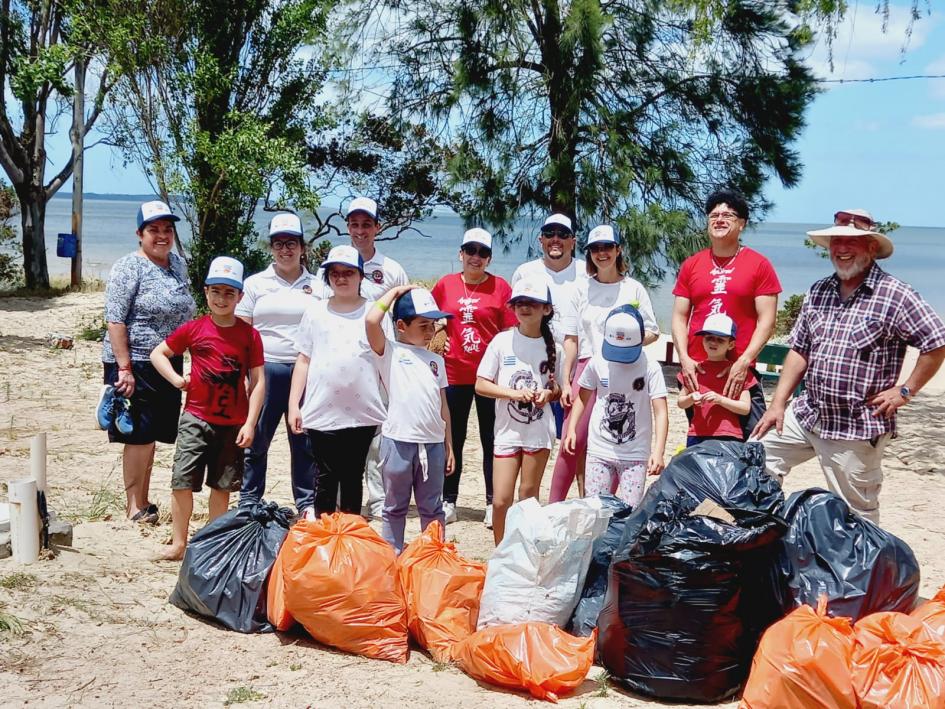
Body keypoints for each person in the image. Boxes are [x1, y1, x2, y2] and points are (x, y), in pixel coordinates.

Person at [752, 208, 945, 523]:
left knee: (856, 515)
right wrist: (777, 404)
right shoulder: (818, 292)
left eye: (852, 242)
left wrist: (905, 390)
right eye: (836, 241)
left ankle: (861, 571)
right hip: (807, 413)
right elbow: (799, 350)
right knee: (754, 460)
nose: (842, 248)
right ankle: (762, 534)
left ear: (871, 247)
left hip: (855, 426)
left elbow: (936, 343)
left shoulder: (895, 295)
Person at [150, 257, 265, 560]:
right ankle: (178, 543)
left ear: (240, 297)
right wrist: (176, 379)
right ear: (206, 292)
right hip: (195, 418)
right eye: (216, 291)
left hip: (233, 422)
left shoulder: (249, 335)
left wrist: (251, 422)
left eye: (230, 293)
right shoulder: (194, 329)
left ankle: (212, 544)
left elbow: (258, 381)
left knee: (222, 485)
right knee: (181, 481)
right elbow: (158, 354)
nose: (222, 299)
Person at [99, 200, 196, 524]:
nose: (162, 235)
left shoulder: (178, 265)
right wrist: (123, 368)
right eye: (154, 230)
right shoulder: (129, 266)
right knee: (137, 435)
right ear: (140, 233)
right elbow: (115, 320)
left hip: (167, 360)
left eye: (167, 229)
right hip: (135, 361)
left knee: (153, 433)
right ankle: (133, 505)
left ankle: (143, 499)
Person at [551, 225, 659, 502]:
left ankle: (605, 509)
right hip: (588, 367)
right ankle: (554, 506)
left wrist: (629, 344)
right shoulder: (581, 288)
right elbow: (571, 339)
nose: (602, 254)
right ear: (589, 253)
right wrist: (566, 380)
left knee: (613, 440)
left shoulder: (633, 288)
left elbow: (653, 331)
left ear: (618, 249)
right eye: (596, 249)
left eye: (607, 247)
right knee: (571, 441)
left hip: (626, 368)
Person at [318, 196, 410, 520]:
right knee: (340, 436)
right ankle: (340, 504)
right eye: (355, 224)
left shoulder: (391, 269)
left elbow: (403, 317)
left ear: (377, 227)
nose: (360, 230)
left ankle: (377, 500)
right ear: (348, 227)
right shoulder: (333, 266)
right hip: (343, 365)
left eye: (367, 224)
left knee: (376, 437)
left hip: (379, 360)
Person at [288, 245, 393, 517]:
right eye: (335, 273)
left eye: (348, 272)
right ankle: (324, 537)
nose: (342, 278)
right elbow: (303, 359)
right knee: (324, 475)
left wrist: (395, 406)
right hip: (322, 408)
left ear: (360, 276)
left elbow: (387, 363)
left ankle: (350, 537)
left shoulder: (374, 314)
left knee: (352, 475)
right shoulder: (315, 311)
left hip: (363, 412)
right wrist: (293, 405)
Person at [672, 189, 781, 433]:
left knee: (755, 440)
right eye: (714, 215)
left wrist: (744, 361)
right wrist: (684, 359)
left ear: (741, 224)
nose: (719, 219)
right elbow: (680, 317)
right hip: (698, 370)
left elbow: (767, 320)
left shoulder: (759, 264)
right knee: (704, 437)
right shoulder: (691, 265)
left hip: (739, 371)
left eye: (728, 215)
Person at [431, 228, 517, 527]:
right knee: (452, 437)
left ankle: (493, 502)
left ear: (489, 258)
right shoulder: (445, 284)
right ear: (461, 254)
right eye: (470, 251)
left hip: (490, 377)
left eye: (482, 253)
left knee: (492, 439)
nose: (475, 257)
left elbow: (508, 332)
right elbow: (431, 317)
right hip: (454, 372)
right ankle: (448, 499)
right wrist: (438, 328)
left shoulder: (500, 288)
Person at [236, 213, 319, 515]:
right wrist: (245, 375)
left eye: (292, 243)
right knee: (256, 437)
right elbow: (242, 331)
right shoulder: (255, 283)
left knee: (304, 439)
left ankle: (307, 503)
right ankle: (249, 499)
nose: (286, 250)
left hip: (305, 371)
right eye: (279, 243)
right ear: (271, 247)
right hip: (265, 370)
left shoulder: (318, 285)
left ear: (302, 247)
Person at [366, 285, 454, 553]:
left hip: (433, 444)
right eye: (424, 325)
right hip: (398, 441)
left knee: (432, 506)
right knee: (394, 506)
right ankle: (392, 556)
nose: (430, 332)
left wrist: (449, 445)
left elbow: (443, 406)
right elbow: (371, 320)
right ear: (401, 325)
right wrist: (397, 292)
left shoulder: (435, 360)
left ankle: (432, 556)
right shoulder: (389, 351)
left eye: (433, 325)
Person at [475, 276, 562, 543]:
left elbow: (558, 388)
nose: (526, 308)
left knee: (528, 496)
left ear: (546, 309)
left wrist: (548, 394)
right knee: (501, 500)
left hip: (538, 430)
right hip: (506, 430)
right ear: (512, 307)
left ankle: (524, 551)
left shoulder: (555, 348)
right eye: (520, 303)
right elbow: (480, 384)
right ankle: (501, 552)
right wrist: (513, 393)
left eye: (533, 303)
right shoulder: (501, 342)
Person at [563, 305, 667, 507]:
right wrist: (572, 429)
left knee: (629, 512)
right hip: (599, 449)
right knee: (594, 509)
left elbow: (661, 411)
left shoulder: (651, 367)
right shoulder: (597, 363)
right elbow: (583, 397)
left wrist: (658, 450)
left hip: (635, 453)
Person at [511, 213, 587, 438]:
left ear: (573, 241)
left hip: (577, 372)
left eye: (563, 234)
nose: (556, 239)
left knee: (575, 442)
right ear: (540, 240)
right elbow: (515, 316)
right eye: (549, 234)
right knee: (530, 440)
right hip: (533, 371)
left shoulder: (587, 273)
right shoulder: (525, 272)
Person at [677, 313, 755, 447]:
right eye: (709, 338)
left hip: (729, 435)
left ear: (731, 345)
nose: (713, 342)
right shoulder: (694, 370)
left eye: (720, 340)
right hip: (697, 434)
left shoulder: (738, 373)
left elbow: (745, 408)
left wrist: (720, 400)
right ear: (702, 340)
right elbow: (680, 402)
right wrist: (691, 397)